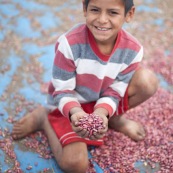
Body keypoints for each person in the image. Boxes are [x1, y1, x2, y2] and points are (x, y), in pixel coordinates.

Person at [12, 0, 158, 172]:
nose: (102, 20)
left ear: (129, 14)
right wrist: (76, 112)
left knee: (147, 81)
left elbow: (116, 90)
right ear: (84, 9)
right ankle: (44, 118)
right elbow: (62, 90)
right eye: (95, 10)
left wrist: (101, 113)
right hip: (67, 106)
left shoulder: (133, 50)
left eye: (112, 12)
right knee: (76, 165)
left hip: (102, 101)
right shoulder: (70, 44)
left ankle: (114, 120)